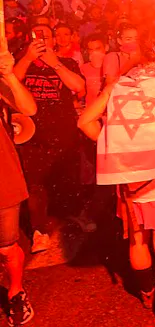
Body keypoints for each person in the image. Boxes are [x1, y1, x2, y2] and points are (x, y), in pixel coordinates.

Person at [79, 25, 155, 327]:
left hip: (127, 175)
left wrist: (113, 146)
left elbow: (85, 121)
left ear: (140, 51)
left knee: (137, 239)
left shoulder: (118, 84)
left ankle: (147, 292)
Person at [13, 21, 85, 253]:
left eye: (46, 36)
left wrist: (54, 64)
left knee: (66, 180)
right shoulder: (22, 62)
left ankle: (71, 220)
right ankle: (38, 231)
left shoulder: (67, 62)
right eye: (37, 36)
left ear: (53, 41)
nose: (42, 40)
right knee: (35, 185)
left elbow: (78, 86)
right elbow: (11, 83)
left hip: (63, 131)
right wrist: (27, 58)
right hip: (32, 133)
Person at [0, 49, 38, 326]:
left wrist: (10, 75)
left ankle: (16, 292)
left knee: (6, 247)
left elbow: (29, 109)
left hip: (3, 178)